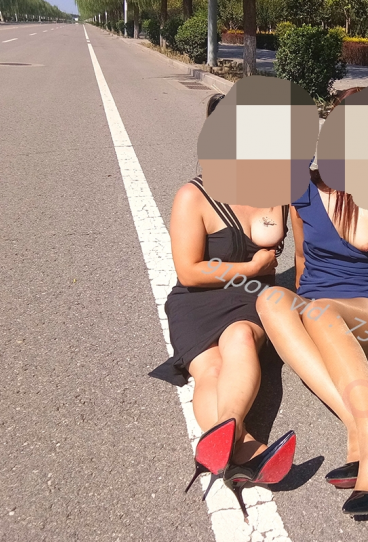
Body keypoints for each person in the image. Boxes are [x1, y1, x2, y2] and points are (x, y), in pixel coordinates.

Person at [256, 88, 368, 518]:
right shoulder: (303, 189)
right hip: (316, 308)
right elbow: (302, 260)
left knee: (321, 310)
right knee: (271, 298)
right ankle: (362, 422)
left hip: (367, 312)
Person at [148, 94, 296, 518]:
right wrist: (250, 266)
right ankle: (240, 444)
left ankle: (221, 439)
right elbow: (189, 271)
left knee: (241, 341)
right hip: (197, 300)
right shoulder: (193, 196)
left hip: (249, 299)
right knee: (209, 370)